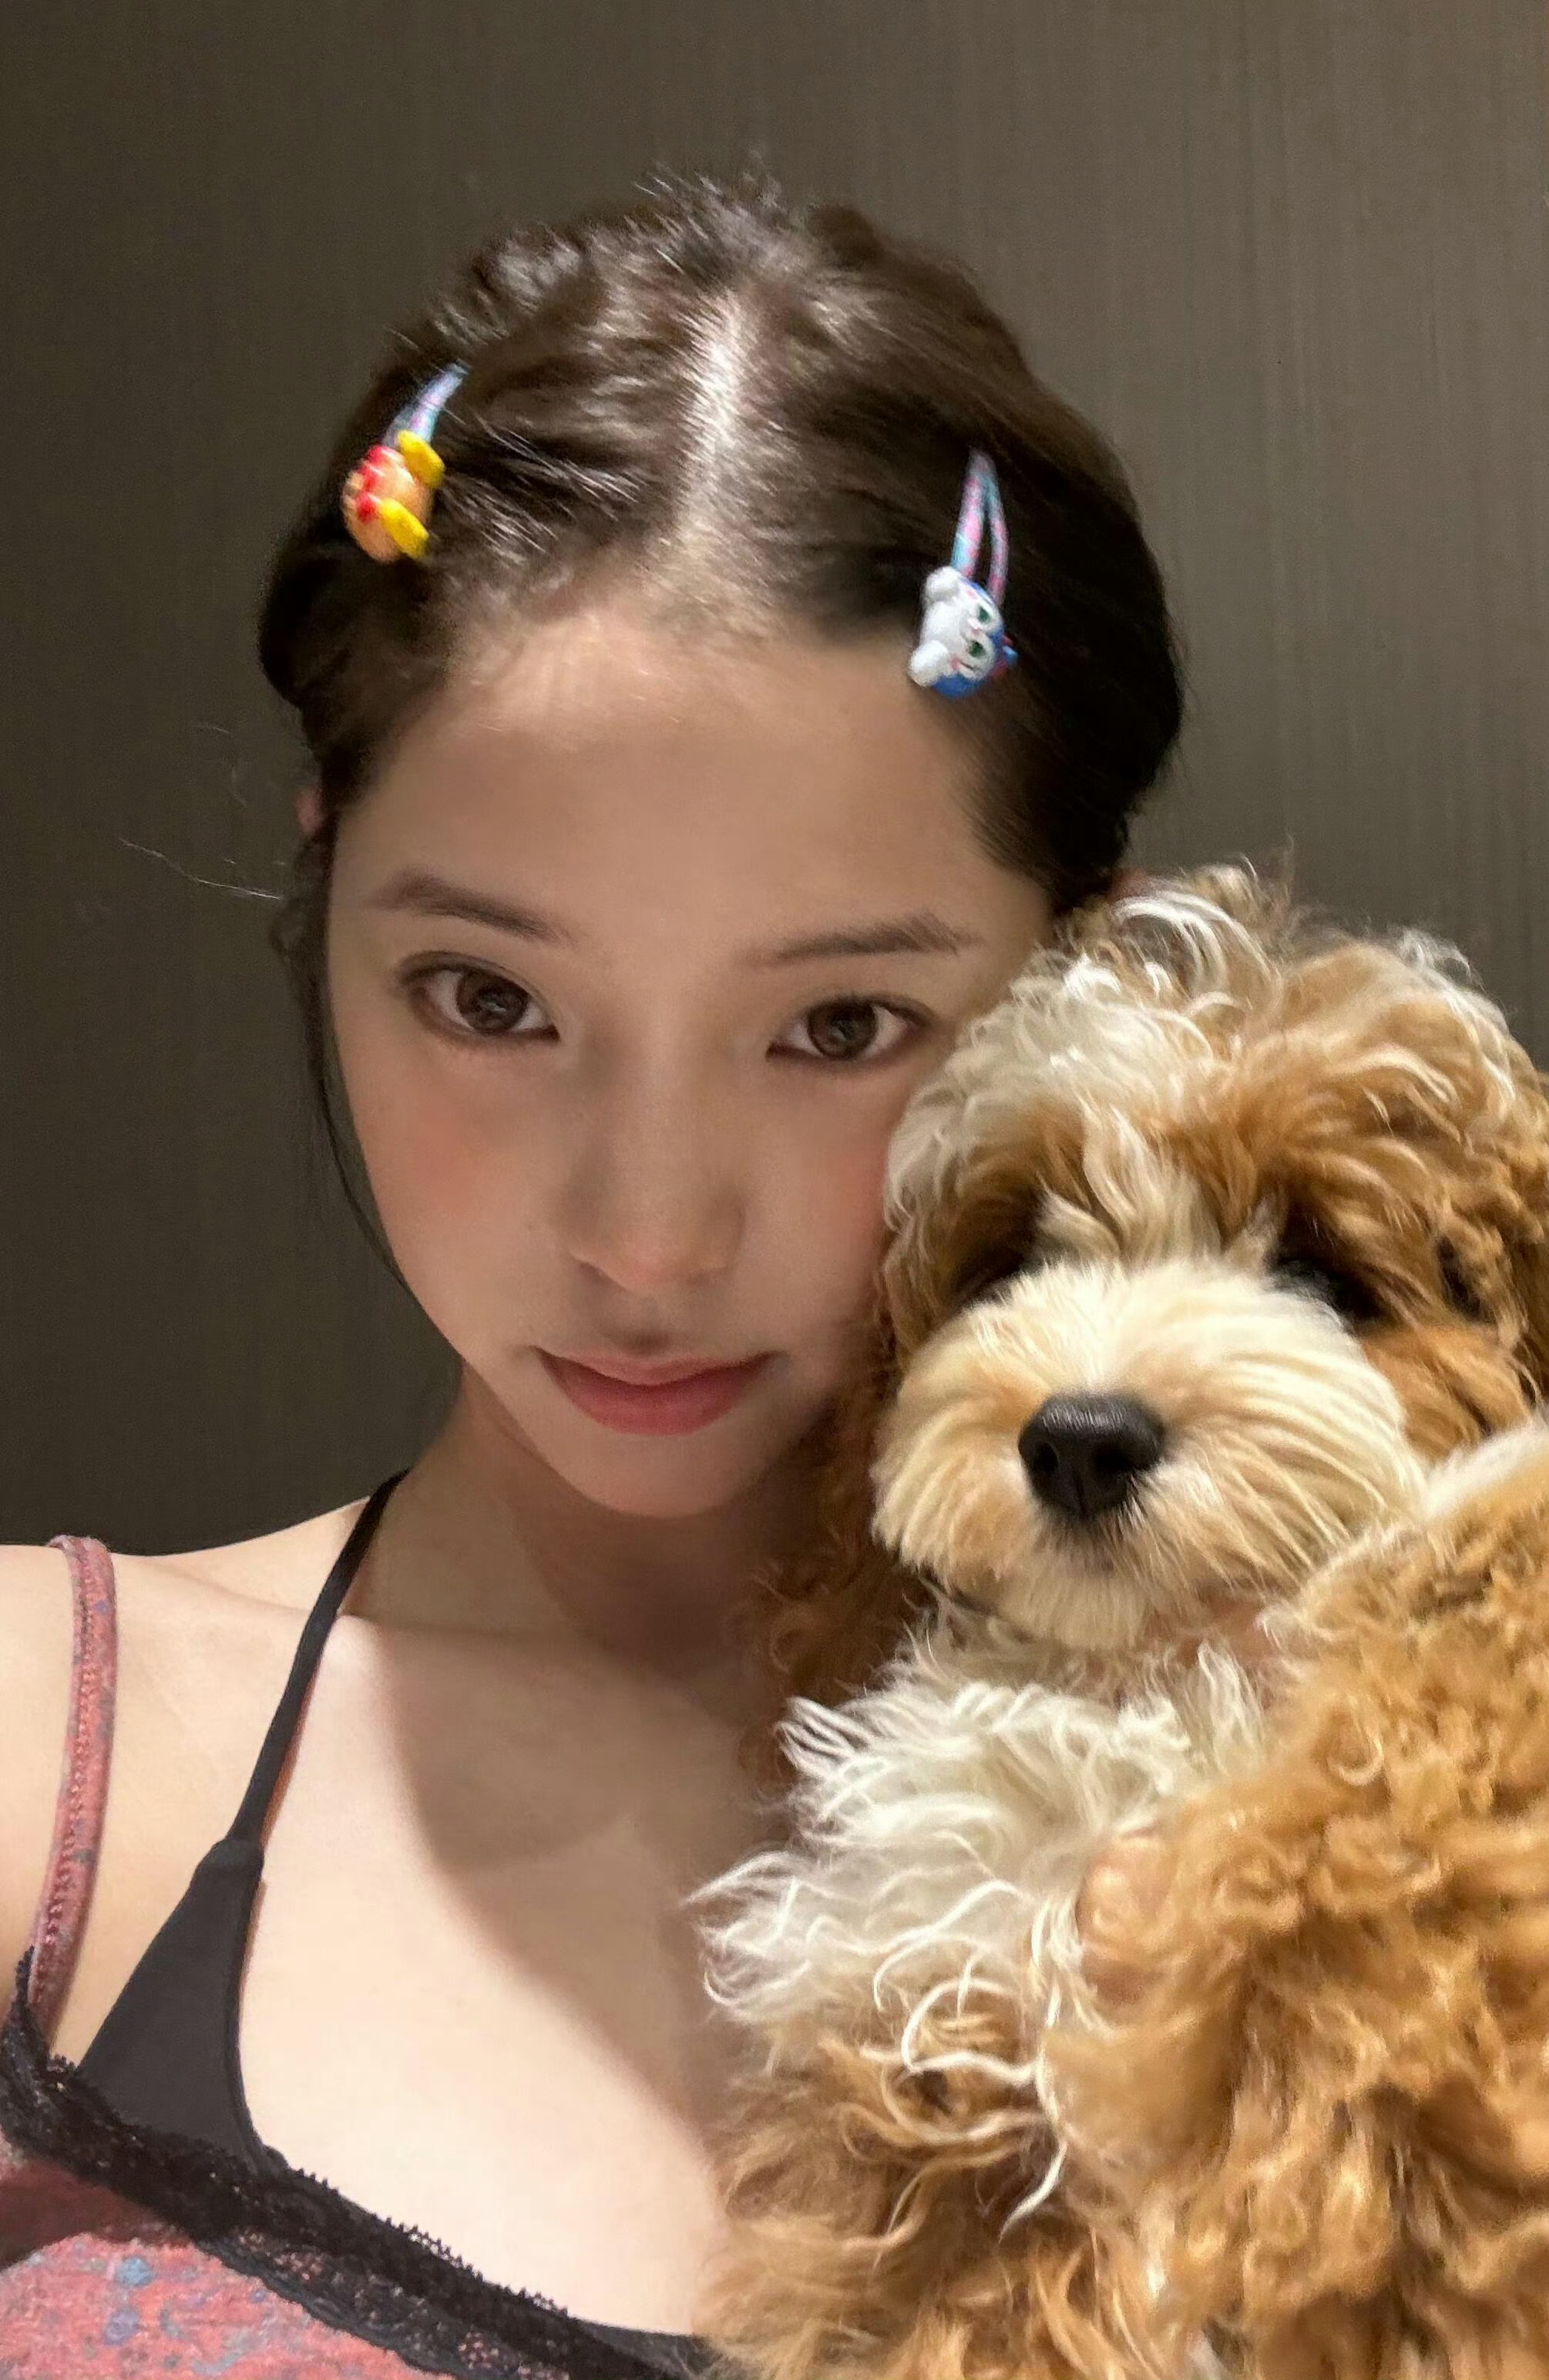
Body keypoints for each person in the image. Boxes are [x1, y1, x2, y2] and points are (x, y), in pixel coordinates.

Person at [0, 176, 1181, 2378]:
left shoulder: (1377, 1819)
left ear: (1084, 979)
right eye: (490, 1000)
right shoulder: (41, 1742)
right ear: (326, 890)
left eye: (841, 1026)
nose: (646, 1237)